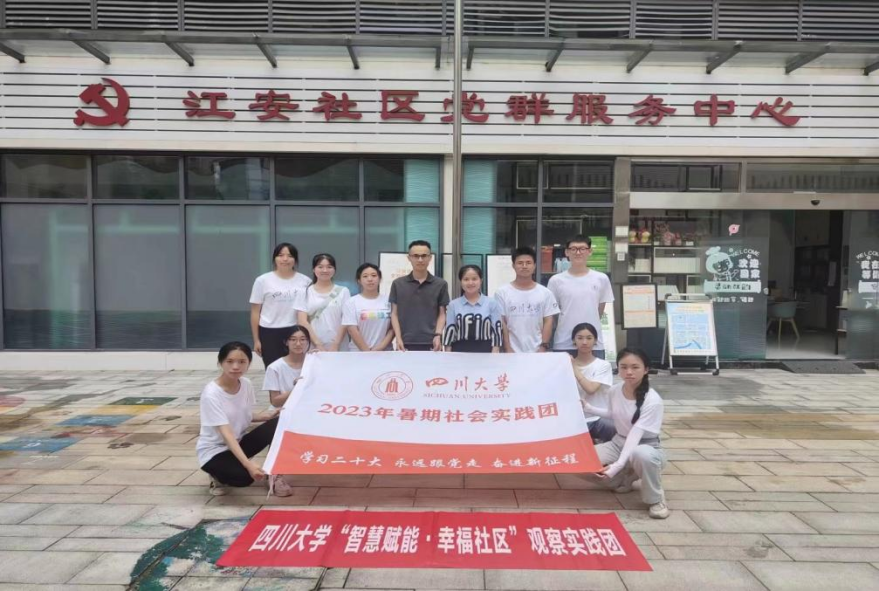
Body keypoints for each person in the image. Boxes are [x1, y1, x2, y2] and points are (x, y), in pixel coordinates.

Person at [197, 341, 294, 497]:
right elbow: (227, 434)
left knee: (280, 423)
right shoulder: (211, 394)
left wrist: (267, 415)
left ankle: (274, 473)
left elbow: (243, 415)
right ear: (220, 362)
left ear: (249, 363)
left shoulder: (246, 384)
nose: (236, 366)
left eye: (242, 362)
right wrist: (248, 464)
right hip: (215, 451)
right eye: (230, 361)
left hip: (239, 442)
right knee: (244, 478)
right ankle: (217, 475)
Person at [583, 348, 669, 520]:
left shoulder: (653, 400)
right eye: (624, 367)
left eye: (635, 367)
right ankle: (623, 479)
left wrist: (618, 464)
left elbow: (635, 434)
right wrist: (589, 408)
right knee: (579, 459)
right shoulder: (614, 390)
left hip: (646, 446)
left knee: (641, 454)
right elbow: (613, 413)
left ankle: (656, 499)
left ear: (646, 369)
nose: (629, 372)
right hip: (618, 443)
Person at [548, 235, 614, 359]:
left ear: (590, 251)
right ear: (567, 252)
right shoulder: (556, 281)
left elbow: (599, 311)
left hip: (593, 343)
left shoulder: (601, 279)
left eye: (582, 249)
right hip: (564, 343)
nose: (578, 252)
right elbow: (553, 314)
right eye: (573, 249)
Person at [250, 243, 312, 368]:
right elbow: (255, 312)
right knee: (273, 368)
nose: (285, 259)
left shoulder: (305, 281)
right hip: (269, 331)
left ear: (295, 259)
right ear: (274, 258)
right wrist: (256, 340)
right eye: (280, 255)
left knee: (298, 368)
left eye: (290, 256)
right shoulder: (262, 280)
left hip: (296, 330)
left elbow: (309, 311)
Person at [494, 246, 559, 353]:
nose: (524, 266)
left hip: (538, 351)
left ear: (534, 266)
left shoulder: (545, 293)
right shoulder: (502, 292)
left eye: (528, 263)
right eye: (520, 263)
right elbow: (502, 322)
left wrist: (543, 346)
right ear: (513, 266)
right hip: (511, 352)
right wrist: (507, 347)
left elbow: (548, 321)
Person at [389, 240, 450, 352]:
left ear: (430, 258)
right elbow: (394, 314)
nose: (420, 259)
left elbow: (442, 314)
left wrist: (438, 335)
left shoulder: (440, 284)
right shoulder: (398, 284)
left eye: (424, 256)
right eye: (416, 256)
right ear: (409, 258)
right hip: (404, 343)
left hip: (432, 343)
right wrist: (398, 338)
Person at [569, 323, 615, 443]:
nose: (584, 342)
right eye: (580, 338)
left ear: (595, 341)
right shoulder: (565, 365)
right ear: (574, 340)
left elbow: (590, 389)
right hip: (575, 420)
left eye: (589, 338)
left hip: (598, 418)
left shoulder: (603, 365)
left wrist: (574, 368)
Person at [295, 254, 351, 351]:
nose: (325, 270)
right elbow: (302, 321)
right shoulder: (304, 292)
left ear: (334, 270)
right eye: (320, 267)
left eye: (329, 267)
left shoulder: (343, 291)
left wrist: (336, 344)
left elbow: (346, 320)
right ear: (314, 269)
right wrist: (318, 344)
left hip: (339, 346)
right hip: (313, 346)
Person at [442, 265, 503, 353]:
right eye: (466, 279)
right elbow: (449, 332)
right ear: (461, 282)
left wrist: (494, 354)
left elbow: (497, 331)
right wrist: (448, 355)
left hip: (485, 352)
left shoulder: (492, 303)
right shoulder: (453, 305)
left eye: (474, 279)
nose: (470, 283)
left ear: (481, 281)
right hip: (459, 352)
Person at [343, 263, 394, 351]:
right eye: (365, 276)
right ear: (359, 280)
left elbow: (392, 328)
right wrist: (367, 351)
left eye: (374, 275)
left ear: (379, 279)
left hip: (385, 352)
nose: (370, 279)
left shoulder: (389, 301)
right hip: (358, 353)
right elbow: (352, 329)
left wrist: (380, 347)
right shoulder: (351, 302)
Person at [264, 325, 310, 408]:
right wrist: (297, 388)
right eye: (293, 339)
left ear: (308, 342)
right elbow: (275, 402)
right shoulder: (274, 368)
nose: (298, 344)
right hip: (283, 411)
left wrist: (319, 358)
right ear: (286, 342)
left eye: (302, 339)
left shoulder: (313, 364)